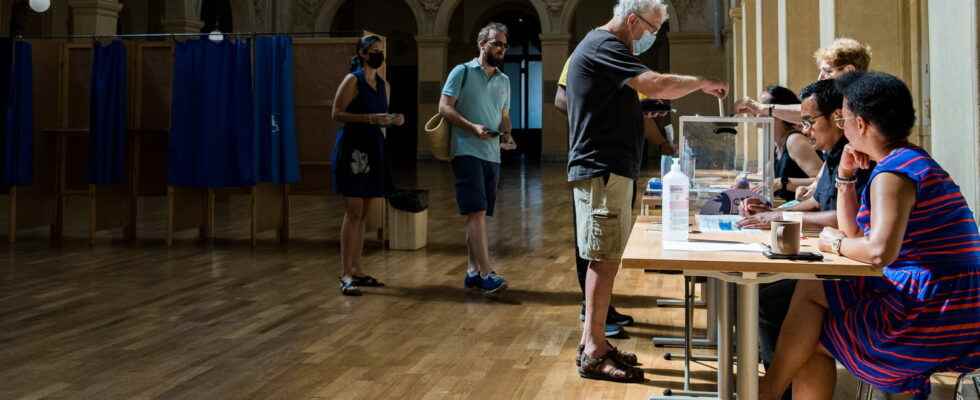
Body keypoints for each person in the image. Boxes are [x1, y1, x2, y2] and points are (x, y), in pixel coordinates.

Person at [760, 72, 980, 400]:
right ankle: (769, 390)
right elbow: (857, 233)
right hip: (961, 308)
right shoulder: (910, 161)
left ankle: (767, 390)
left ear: (860, 124)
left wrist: (831, 242)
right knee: (814, 290)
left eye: (843, 118)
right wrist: (846, 176)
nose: (842, 126)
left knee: (812, 340)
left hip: (931, 316)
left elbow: (878, 253)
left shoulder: (893, 174)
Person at [566, 0, 728, 382]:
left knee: (606, 259)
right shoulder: (605, 45)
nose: (650, 38)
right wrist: (702, 83)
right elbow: (654, 83)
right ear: (633, 19)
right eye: (651, 30)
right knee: (601, 260)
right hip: (601, 168)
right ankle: (591, 348)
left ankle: (598, 342)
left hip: (612, 168)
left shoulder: (611, 50)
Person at [738, 79, 872, 380]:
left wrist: (787, 218)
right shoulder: (836, 157)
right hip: (830, 250)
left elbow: (842, 218)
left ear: (839, 117)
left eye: (810, 121)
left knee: (768, 294)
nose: (806, 129)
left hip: (850, 267)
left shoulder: (859, 160)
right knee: (761, 287)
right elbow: (815, 200)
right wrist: (775, 213)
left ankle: (774, 385)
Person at [555, 59, 649, 338]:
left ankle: (604, 306)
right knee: (594, 240)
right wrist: (598, 116)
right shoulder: (589, 54)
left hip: (624, 163)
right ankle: (591, 312)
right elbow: (561, 97)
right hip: (599, 162)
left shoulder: (627, 59)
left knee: (610, 242)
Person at [438, 22, 518, 295]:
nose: (501, 49)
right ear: (482, 44)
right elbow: (444, 107)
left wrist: (507, 135)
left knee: (478, 213)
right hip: (466, 150)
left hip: (492, 154)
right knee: (477, 212)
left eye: (505, 45)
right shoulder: (461, 71)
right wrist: (472, 127)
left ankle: (472, 272)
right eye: (496, 43)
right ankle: (485, 273)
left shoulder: (504, 80)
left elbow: (504, 114)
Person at [330, 35, 405, 296]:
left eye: (381, 51)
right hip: (353, 149)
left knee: (363, 213)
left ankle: (358, 268)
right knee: (352, 211)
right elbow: (336, 113)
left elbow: (381, 119)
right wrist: (369, 118)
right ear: (362, 54)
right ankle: (345, 273)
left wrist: (392, 120)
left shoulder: (384, 85)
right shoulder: (353, 80)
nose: (378, 55)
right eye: (374, 51)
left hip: (374, 149)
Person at [735, 38, 871, 126]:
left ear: (849, 70)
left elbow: (807, 114)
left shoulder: (862, 99)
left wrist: (761, 108)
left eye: (828, 71)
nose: (820, 78)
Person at [757, 85, 822, 201]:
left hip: (804, 211)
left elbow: (822, 180)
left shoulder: (795, 140)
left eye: (763, 107)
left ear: (779, 113)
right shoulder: (776, 144)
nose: (757, 113)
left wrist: (783, 182)